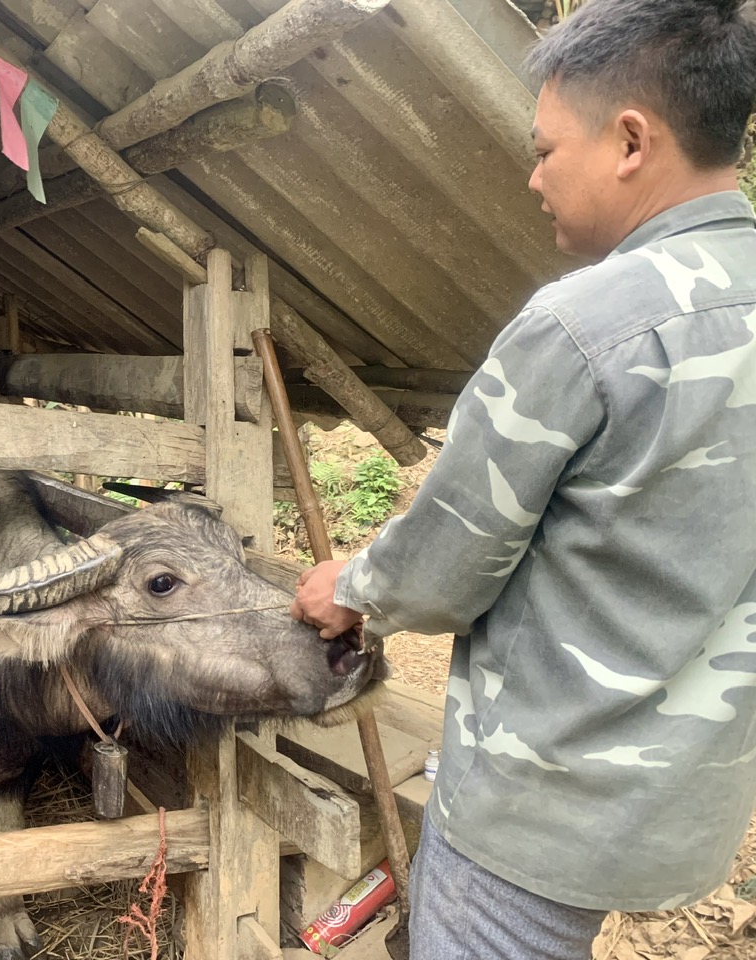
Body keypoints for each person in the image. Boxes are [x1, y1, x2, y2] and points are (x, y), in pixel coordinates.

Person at [291, 1, 756, 957]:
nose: (533, 176)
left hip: (536, 811)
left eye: (546, 149)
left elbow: (445, 564)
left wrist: (351, 585)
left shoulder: (584, 323)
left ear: (631, 140)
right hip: (688, 800)